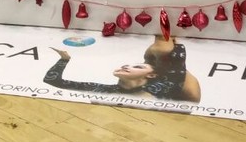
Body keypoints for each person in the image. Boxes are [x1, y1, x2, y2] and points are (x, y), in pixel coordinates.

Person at [44, 35, 200, 103]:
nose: (126, 66)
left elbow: (178, 64)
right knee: (160, 55)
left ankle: (163, 41)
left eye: (136, 66)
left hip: (183, 94)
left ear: (151, 75)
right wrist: (64, 60)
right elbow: (54, 81)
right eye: (125, 65)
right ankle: (160, 48)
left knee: (163, 54)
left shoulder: (162, 85)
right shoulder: (102, 89)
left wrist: (176, 46)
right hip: (168, 85)